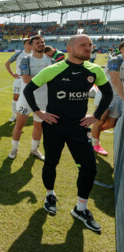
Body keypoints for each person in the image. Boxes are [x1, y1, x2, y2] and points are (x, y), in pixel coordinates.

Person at [23, 34, 113, 232]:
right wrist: (39, 113)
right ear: (70, 48)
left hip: (79, 127)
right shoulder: (53, 69)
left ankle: (81, 209)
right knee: (51, 162)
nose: (88, 48)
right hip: (54, 126)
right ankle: (50, 195)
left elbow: (108, 93)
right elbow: (28, 90)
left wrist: (96, 116)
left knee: (89, 167)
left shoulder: (94, 69)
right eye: (83, 45)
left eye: (90, 45)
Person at [8, 36, 54, 161]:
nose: (41, 44)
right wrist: (45, 75)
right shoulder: (25, 60)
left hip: (42, 100)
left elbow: (54, 81)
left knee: (38, 126)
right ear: (31, 46)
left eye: (42, 42)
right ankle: (14, 149)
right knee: (19, 125)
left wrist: (41, 77)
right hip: (26, 99)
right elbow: (26, 80)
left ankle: (34, 150)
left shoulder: (51, 61)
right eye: (37, 43)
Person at [91, 41, 124, 155]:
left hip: (119, 97)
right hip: (108, 95)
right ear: (122, 50)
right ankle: (95, 144)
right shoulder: (116, 60)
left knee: (111, 124)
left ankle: (91, 133)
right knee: (100, 120)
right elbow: (115, 79)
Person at [4, 38, 32, 122]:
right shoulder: (18, 54)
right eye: (27, 43)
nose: (29, 45)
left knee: (30, 97)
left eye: (30, 43)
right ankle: (13, 115)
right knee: (16, 96)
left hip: (31, 79)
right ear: (24, 45)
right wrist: (13, 74)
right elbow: (7, 63)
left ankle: (29, 114)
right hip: (19, 79)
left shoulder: (35, 54)